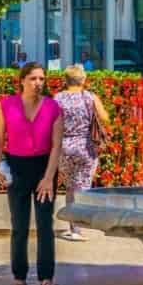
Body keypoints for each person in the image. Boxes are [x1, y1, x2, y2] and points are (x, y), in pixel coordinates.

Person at [0, 61, 63, 285]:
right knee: (19, 225)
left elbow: (56, 145)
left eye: (41, 79)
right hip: (17, 166)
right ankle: (19, 277)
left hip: (44, 167)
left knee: (45, 225)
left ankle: (46, 278)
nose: (38, 83)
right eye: (33, 78)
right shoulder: (6, 105)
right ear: (22, 80)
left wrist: (48, 177)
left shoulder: (53, 108)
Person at [54, 64, 109, 240]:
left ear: (65, 80)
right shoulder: (89, 97)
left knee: (70, 186)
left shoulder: (58, 98)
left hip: (65, 147)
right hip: (86, 147)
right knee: (83, 187)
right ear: (83, 80)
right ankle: (78, 227)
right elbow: (105, 118)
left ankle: (73, 227)